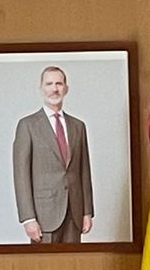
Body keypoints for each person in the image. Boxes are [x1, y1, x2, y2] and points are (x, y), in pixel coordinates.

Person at [12, 65, 93, 244]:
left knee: (74, 261)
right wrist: (28, 218)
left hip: (74, 213)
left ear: (66, 88)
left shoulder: (78, 126)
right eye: (49, 84)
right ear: (41, 88)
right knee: (44, 262)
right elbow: (21, 175)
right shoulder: (27, 125)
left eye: (59, 84)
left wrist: (87, 212)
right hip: (44, 216)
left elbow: (84, 171)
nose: (54, 89)